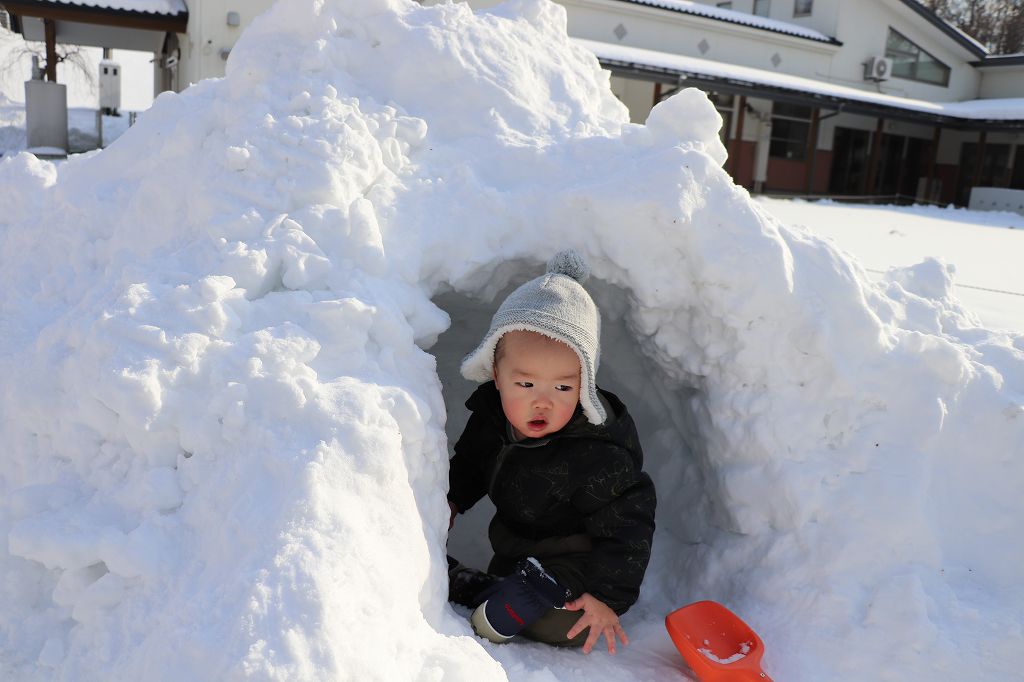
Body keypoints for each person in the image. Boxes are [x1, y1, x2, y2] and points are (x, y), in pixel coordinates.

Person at [446, 250, 657, 655]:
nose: (542, 402)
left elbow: (629, 529)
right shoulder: (492, 416)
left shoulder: (598, 453)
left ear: (584, 385)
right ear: (496, 374)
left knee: (568, 624)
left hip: (577, 560)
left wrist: (606, 597)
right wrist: (450, 499)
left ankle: (500, 594)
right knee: (516, 590)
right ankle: (491, 588)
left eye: (563, 387)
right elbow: (472, 464)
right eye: (526, 385)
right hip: (516, 547)